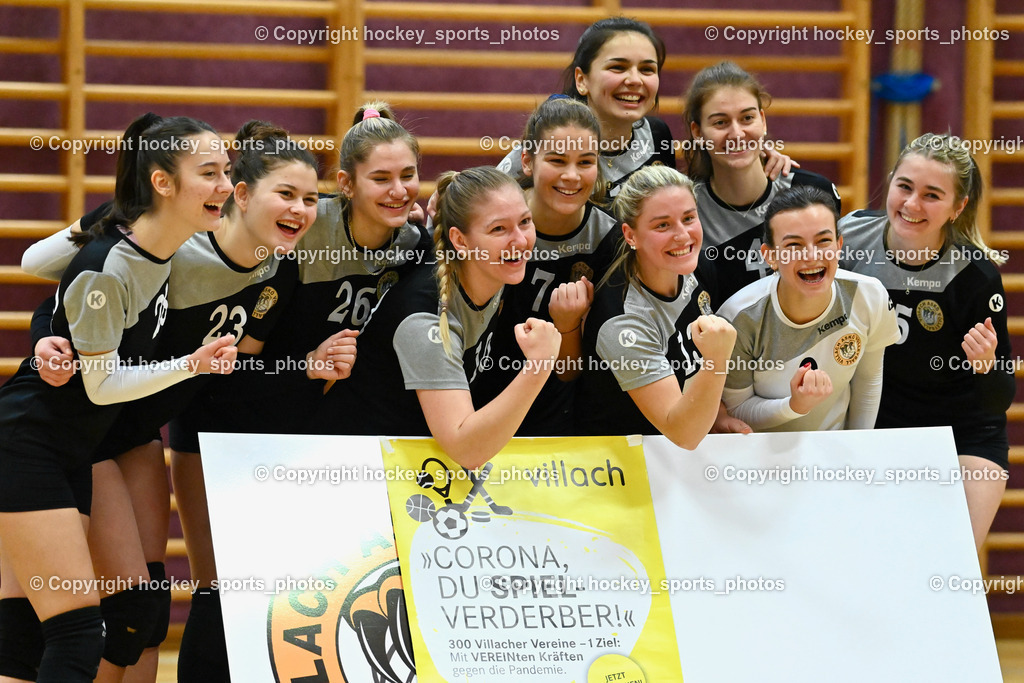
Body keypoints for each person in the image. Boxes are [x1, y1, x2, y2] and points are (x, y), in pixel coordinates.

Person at [20, 121, 328, 683]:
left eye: (312, 198)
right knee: (79, 617)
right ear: (239, 194)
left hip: (137, 428)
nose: (301, 209)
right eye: (285, 193)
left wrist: (302, 367)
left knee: (145, 611)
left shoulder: (277, 272)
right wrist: (45, 331)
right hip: (86, 423)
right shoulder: (171, 242)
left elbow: (234, 373)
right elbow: (56, 280)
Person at [0, 113, 236, 683]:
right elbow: (102, 385)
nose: (227, 186)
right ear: (161, 183)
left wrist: (51, 333)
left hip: (71, 449)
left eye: (226, 170)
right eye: (210, 173)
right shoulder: (110, 264)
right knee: (77, 632)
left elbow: (58, 298)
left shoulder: (159, 249)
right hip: (26, 441)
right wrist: (191, 364)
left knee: (43, 628)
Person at [840, 132, 1015, 550]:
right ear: (891, 181)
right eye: (905, 187)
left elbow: (997, 399)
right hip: (875, 424)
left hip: (963, 433)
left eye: (932, 195)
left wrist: (986, 364)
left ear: (958, 207)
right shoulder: (849, 240)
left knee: (949, 569)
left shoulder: (974, 277)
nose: (912, 205)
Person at [320, 167, 562, 467]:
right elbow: (465, 449)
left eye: (525, 222)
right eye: (498, 229)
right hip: (349, 469)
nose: (520, 241)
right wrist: (538, 366)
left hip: (406, 465)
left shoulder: (493, 270)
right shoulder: (427, 321)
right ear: (460, 241)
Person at [473, 95, 620, 434]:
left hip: (559, 417)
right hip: (478, 402)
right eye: (557, 160)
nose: (571, 176)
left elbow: (570, 370)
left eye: (586, 162)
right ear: (527, 161)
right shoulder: (491, 226)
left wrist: (568, 326)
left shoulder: (609, 239)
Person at [575, 165, 735, 449]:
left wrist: (718, 413)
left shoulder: (695, 268)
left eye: (689, 218)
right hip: (620, 466)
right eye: (663, 225)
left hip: (675, 455)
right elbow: (683, 433)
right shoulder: (623, 322)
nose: (683, 235)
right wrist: (716, 361)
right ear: (630, 235)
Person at [718, 186, 899, 431]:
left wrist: (860, 454)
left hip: (834, 451)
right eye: (794, 245)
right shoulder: (738, 318)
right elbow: (738, 410)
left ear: (839, 245)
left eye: (823, 241)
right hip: (760, 458)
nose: (811, 256)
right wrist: (795, 405)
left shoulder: (868, 295)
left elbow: (868, 383)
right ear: (770, 256)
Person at [682, 61, 840, 301]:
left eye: (747, 118)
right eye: (720, 122)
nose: (736, 134)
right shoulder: (688, 214)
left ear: (763, 121)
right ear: (697, 132)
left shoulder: (814, 191)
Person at [497, 17, 673, 198]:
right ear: (581, 80)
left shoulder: (657, 136)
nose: (635, 80)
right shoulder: (547, 140)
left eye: (647, 70)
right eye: (618, 67)